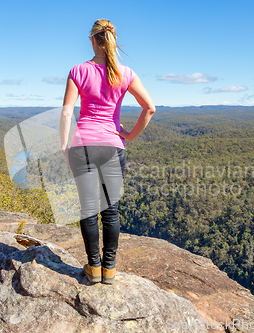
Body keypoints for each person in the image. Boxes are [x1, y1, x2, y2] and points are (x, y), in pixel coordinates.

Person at [59, 19, 155, 284]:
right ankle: (110, 270)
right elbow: (150, 108)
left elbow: (68, 112)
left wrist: (65, 146)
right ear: (112, 39)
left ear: (92, 39)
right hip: (113, 146)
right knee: (111, 210)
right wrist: (129, 136)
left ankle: (93, 267)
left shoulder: (78, 71)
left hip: (84, 145)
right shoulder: (125, 73)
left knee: (89, 210)